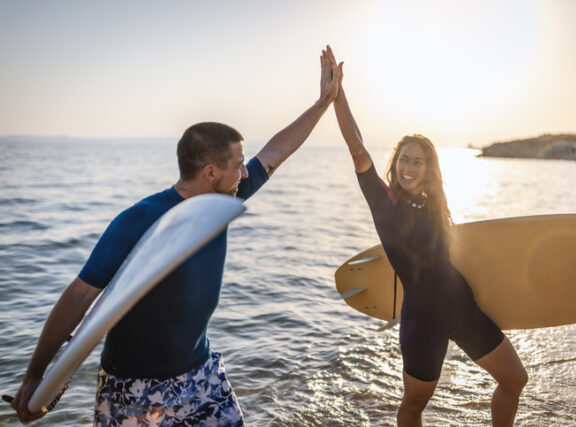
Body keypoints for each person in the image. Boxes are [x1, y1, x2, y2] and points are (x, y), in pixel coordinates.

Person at [11, 46, 342, 426]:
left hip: (200, 374)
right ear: (211, 172)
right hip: (133, 389)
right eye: (239, 164)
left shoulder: (221, 202)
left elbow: (276, 151)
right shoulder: (140, 219)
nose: (247, 173)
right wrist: (37, 374)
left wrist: (322, 103)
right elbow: (79, 295)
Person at [328, 47, 528, 427]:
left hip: (464, 310)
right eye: (404, 159)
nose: (409, 166)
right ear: (395, 163)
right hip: (423, 321)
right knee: (415, 405)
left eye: (418, 160)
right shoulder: (386, 205)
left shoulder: (435, 202)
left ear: (429, 167)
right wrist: (338, 96)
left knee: (515, 379)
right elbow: (357, 147)